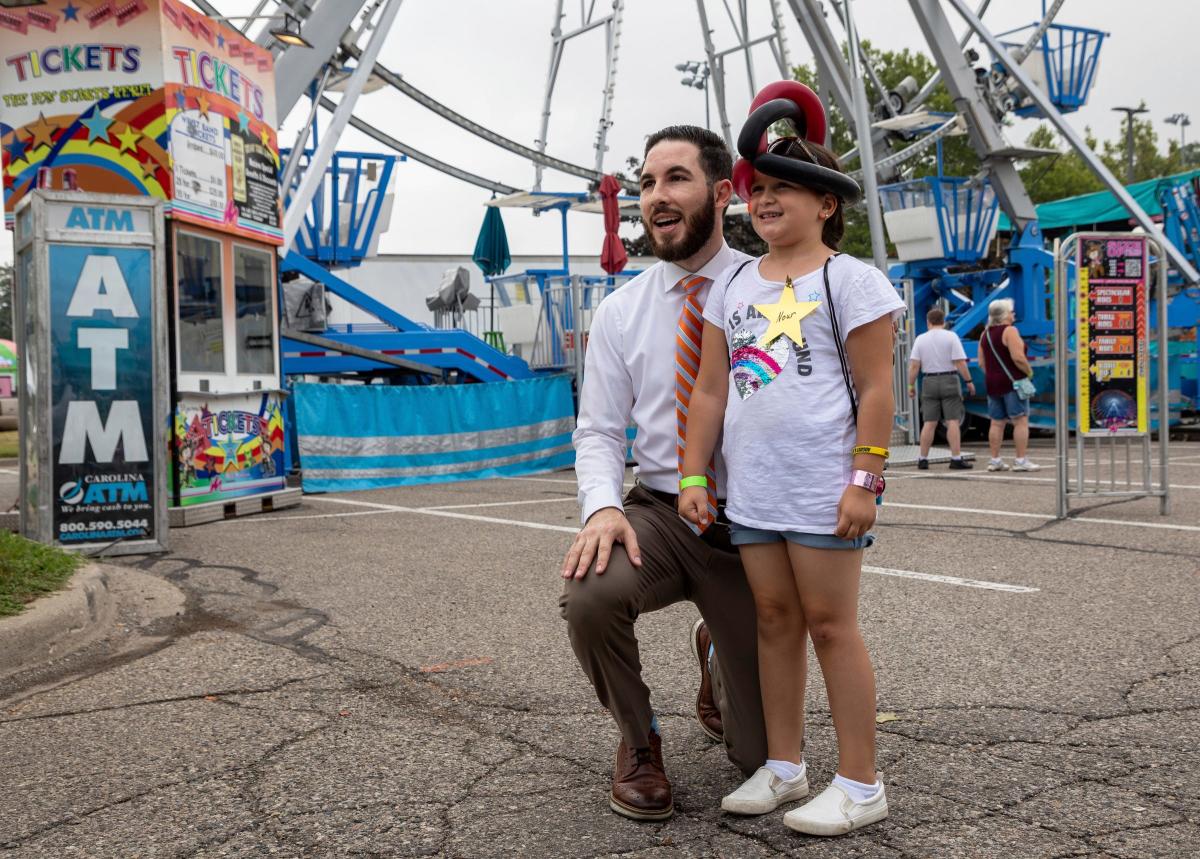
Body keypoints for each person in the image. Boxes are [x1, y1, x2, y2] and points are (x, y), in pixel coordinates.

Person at [679, 112, 904, 836]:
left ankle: (861, 782)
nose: (764, 201)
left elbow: (876, 389)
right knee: (773, 621)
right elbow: (711, 389)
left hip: (822, 485)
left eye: (783, 188)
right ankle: (784, 764)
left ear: (827, 203)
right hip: (754, 487)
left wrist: (865, 480)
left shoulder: (853, 280)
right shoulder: (734, 284)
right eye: (758, 189)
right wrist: (692, 475)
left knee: (833, 625)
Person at [559, 124, 768, 823]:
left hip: (752, 526)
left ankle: (716, 654)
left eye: (675, 178)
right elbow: (596, 430)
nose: (656, 196)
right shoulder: (621, 311)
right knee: (589, 590)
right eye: (647, 183)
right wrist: (600, 508)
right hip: (660, 510)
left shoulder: (767, 289)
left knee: (759, 756)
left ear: (721, 192)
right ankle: (639, 739)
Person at [907, 307, 974, 470]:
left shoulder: (920, 339)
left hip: (929, 381)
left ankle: (922, 459)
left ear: (928, 322)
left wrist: (910, 385)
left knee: (929, 422)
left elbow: (914, 365)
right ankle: (956, 458)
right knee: (952, 421)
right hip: (949, 379)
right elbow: (960, 362)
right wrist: (969, 381)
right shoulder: (951, 337)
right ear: (943, 322)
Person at [977, 298, 1040, 472]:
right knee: (1020, 421)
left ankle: (995, 460)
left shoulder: (985, 334)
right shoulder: (1010, 331)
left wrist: (994, 374)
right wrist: (1029, 372)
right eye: (1011, 312)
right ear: (1005, 314)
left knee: (996, 422)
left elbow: (982, 362)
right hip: (1013, 382)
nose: (1013, 314)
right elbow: (1018, 357)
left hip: (992, 382)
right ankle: (1020, 460)